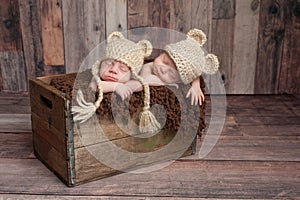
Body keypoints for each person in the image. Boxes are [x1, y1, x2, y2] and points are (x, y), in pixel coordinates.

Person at [72, 31, 161, 134]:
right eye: (108, 63)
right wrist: (116, 86)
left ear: (132, 74)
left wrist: (135, 84)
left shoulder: (134, 79)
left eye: (122, 69)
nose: (113, 70)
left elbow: (143, 84)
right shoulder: (95, 77)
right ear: (100, 64)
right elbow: (94, 86)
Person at [126, 28, 220, 106]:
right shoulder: (148, 66)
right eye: (164, 61)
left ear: (179, 81)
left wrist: (196, 85)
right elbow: (146, 79)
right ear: (163, 53)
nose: (162, 69)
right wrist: (163, 82)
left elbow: (194, 73)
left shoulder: (185, 74)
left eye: (171, 74)